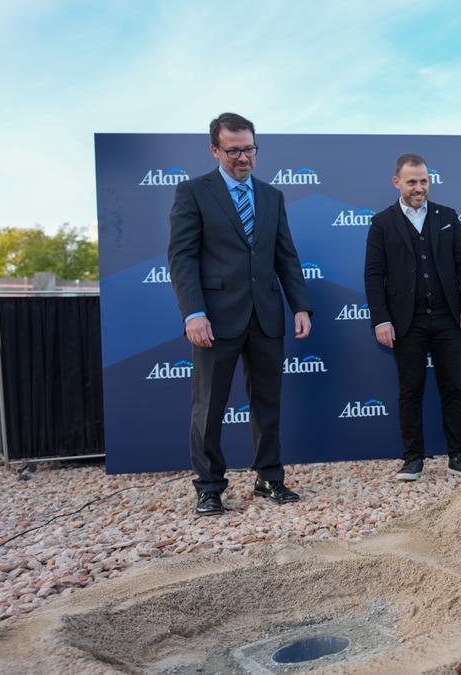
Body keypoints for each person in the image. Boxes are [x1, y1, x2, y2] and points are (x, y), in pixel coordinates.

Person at [168, 112, 313, 516]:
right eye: (233, 150)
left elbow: (286, 254)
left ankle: (270, 478)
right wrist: (193, 313)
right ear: (215, 150)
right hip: (215, 319)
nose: (243, 157)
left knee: (267, 403)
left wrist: (299, 304)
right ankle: (210, 486)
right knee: (209, 406)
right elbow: (182, 258)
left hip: (266, 316)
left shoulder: (272, 196)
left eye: (249, 148)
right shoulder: (193, 193)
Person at [364, 154, 461, 481]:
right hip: (406, 323)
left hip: (447, 319)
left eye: (424, 181)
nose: (419, 187)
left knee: (453, 388)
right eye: (412, 181)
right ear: (397, 182)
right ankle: (413, 459)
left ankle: (458, 456)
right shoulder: (381, 223)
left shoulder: (448, 216)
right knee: (410, 390)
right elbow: (374, 276)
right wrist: (380, 319)